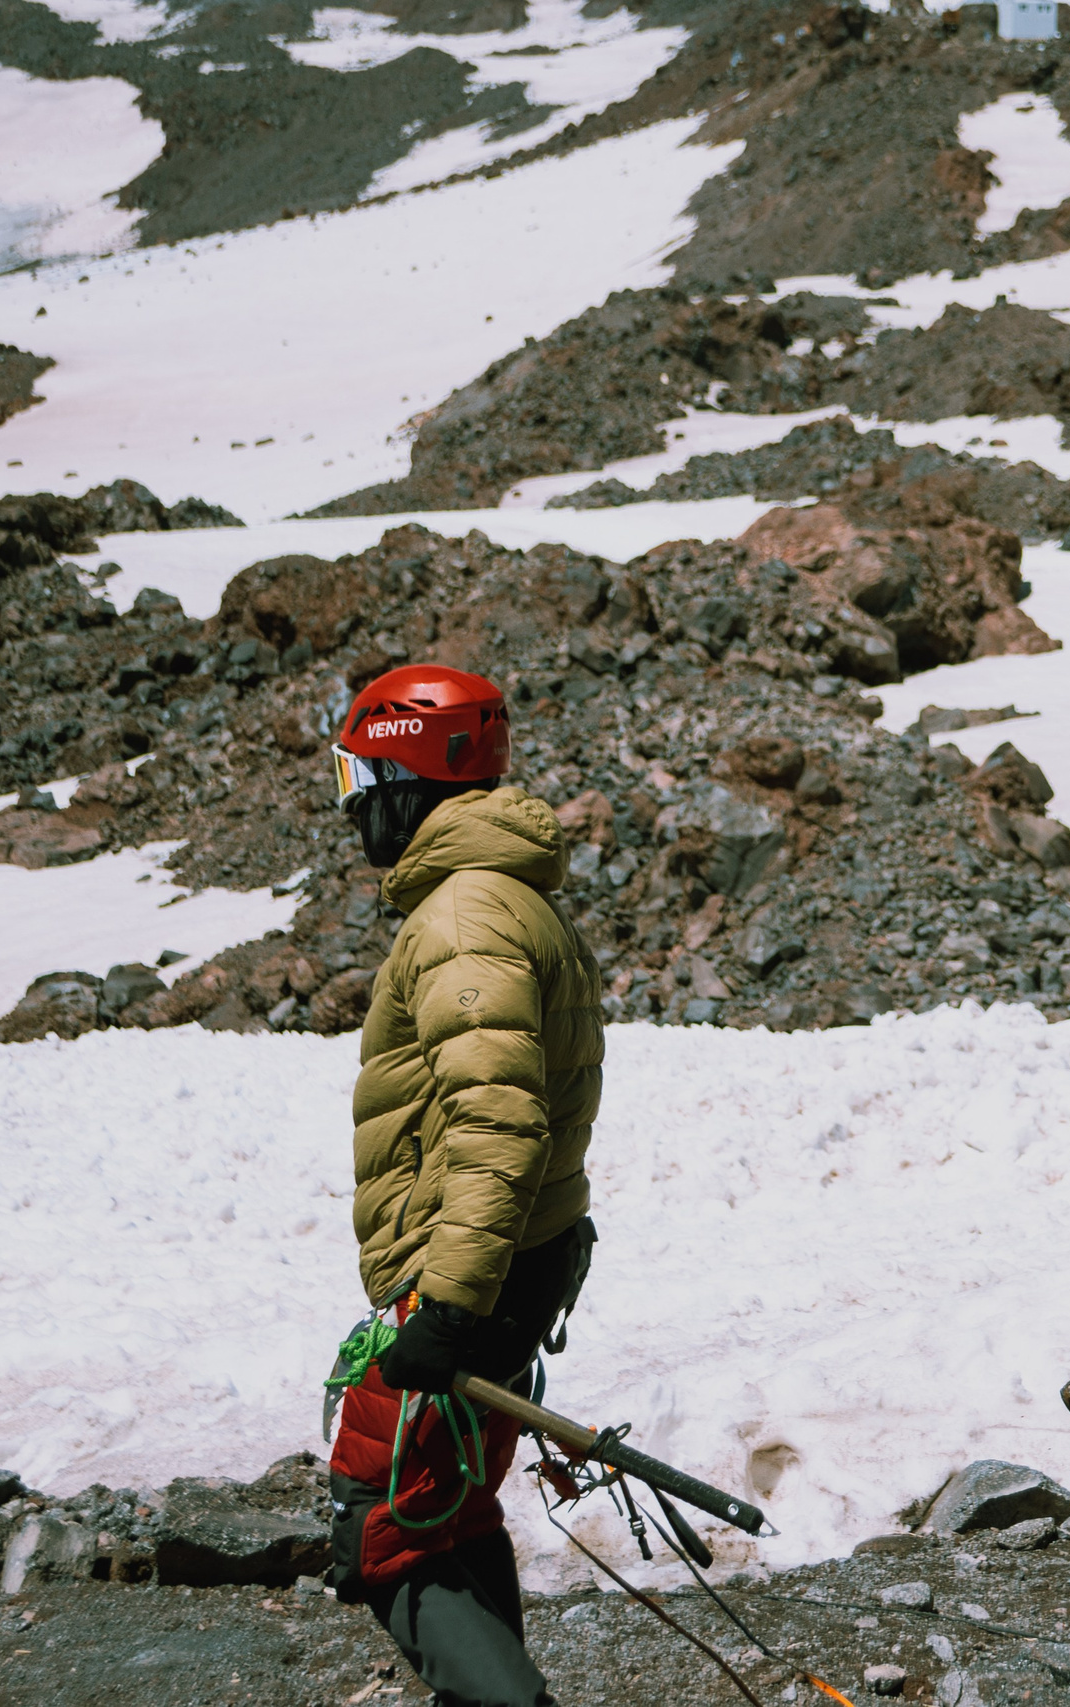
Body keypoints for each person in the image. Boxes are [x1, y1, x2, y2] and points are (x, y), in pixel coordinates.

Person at [319, 663, 604, 1707]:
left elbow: (496, 1116)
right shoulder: (504, 894)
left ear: (404, 773)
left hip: (469, 1275)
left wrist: (444, 1305)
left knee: (381, 1521)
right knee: (450, 1506)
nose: (351, 804)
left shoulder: (462, 914)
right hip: (515, 1263)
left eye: (359, 776)